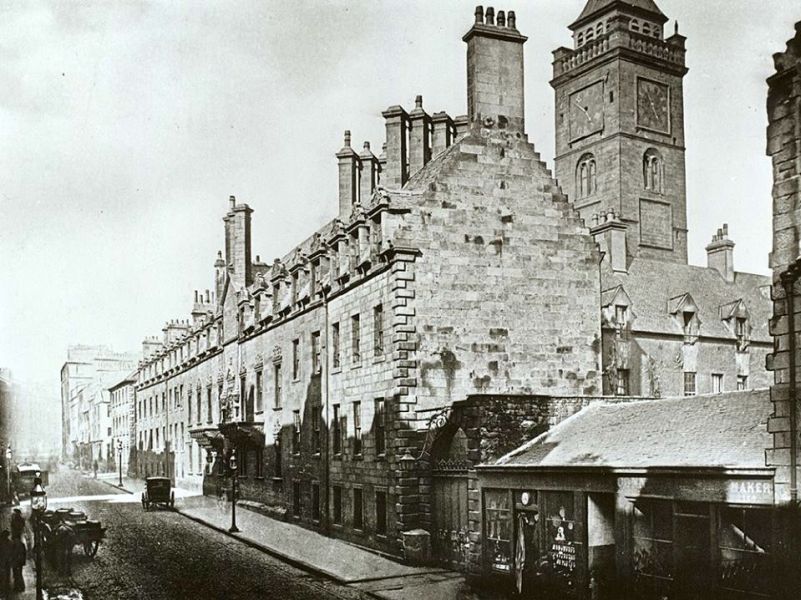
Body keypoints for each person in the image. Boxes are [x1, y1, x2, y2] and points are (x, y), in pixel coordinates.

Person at [0, 530, 10, 598]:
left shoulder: (3, 542)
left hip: (4, 561)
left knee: (4, 575)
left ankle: (4, 589)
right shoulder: (9, 543)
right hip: (5, 561)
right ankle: (5, 588)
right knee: (6, 575)